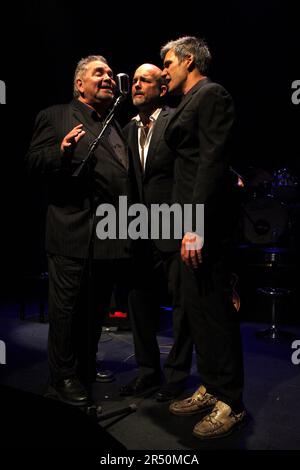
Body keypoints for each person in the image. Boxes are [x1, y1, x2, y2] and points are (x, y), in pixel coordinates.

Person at [25, 55, 133, 406]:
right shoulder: (55, 116)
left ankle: (84, 367)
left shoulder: (115, 125)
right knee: (66, 312)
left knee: (93, 312)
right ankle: (63, 376)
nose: (107, 77)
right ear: (79, 84)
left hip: (109, 236)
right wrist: (61, 152)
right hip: (71, 232)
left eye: (108, 72)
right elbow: (32, 163)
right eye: (97, 73)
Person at [160, 37, 245, 439]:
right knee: (197, 310)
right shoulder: (185, 102)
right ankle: (212, 385)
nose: (164, 70)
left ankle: (232, 401)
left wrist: (195, 225)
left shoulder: (212, 94)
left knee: (215, 311)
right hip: (187, 220)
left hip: (204, 224)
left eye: (168, 62)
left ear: (188, 60)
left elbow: (213, 158)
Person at [119, 64, 194, 402]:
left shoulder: (176, 120)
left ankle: (177, 376)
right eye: (133, 81)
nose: (136, 85)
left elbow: (193, 171)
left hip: (173, 225)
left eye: (144, 81)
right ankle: (148, 372)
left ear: (161, 89)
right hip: (138, 229)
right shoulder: (125, 128)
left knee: (181, 306)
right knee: (138, 304)